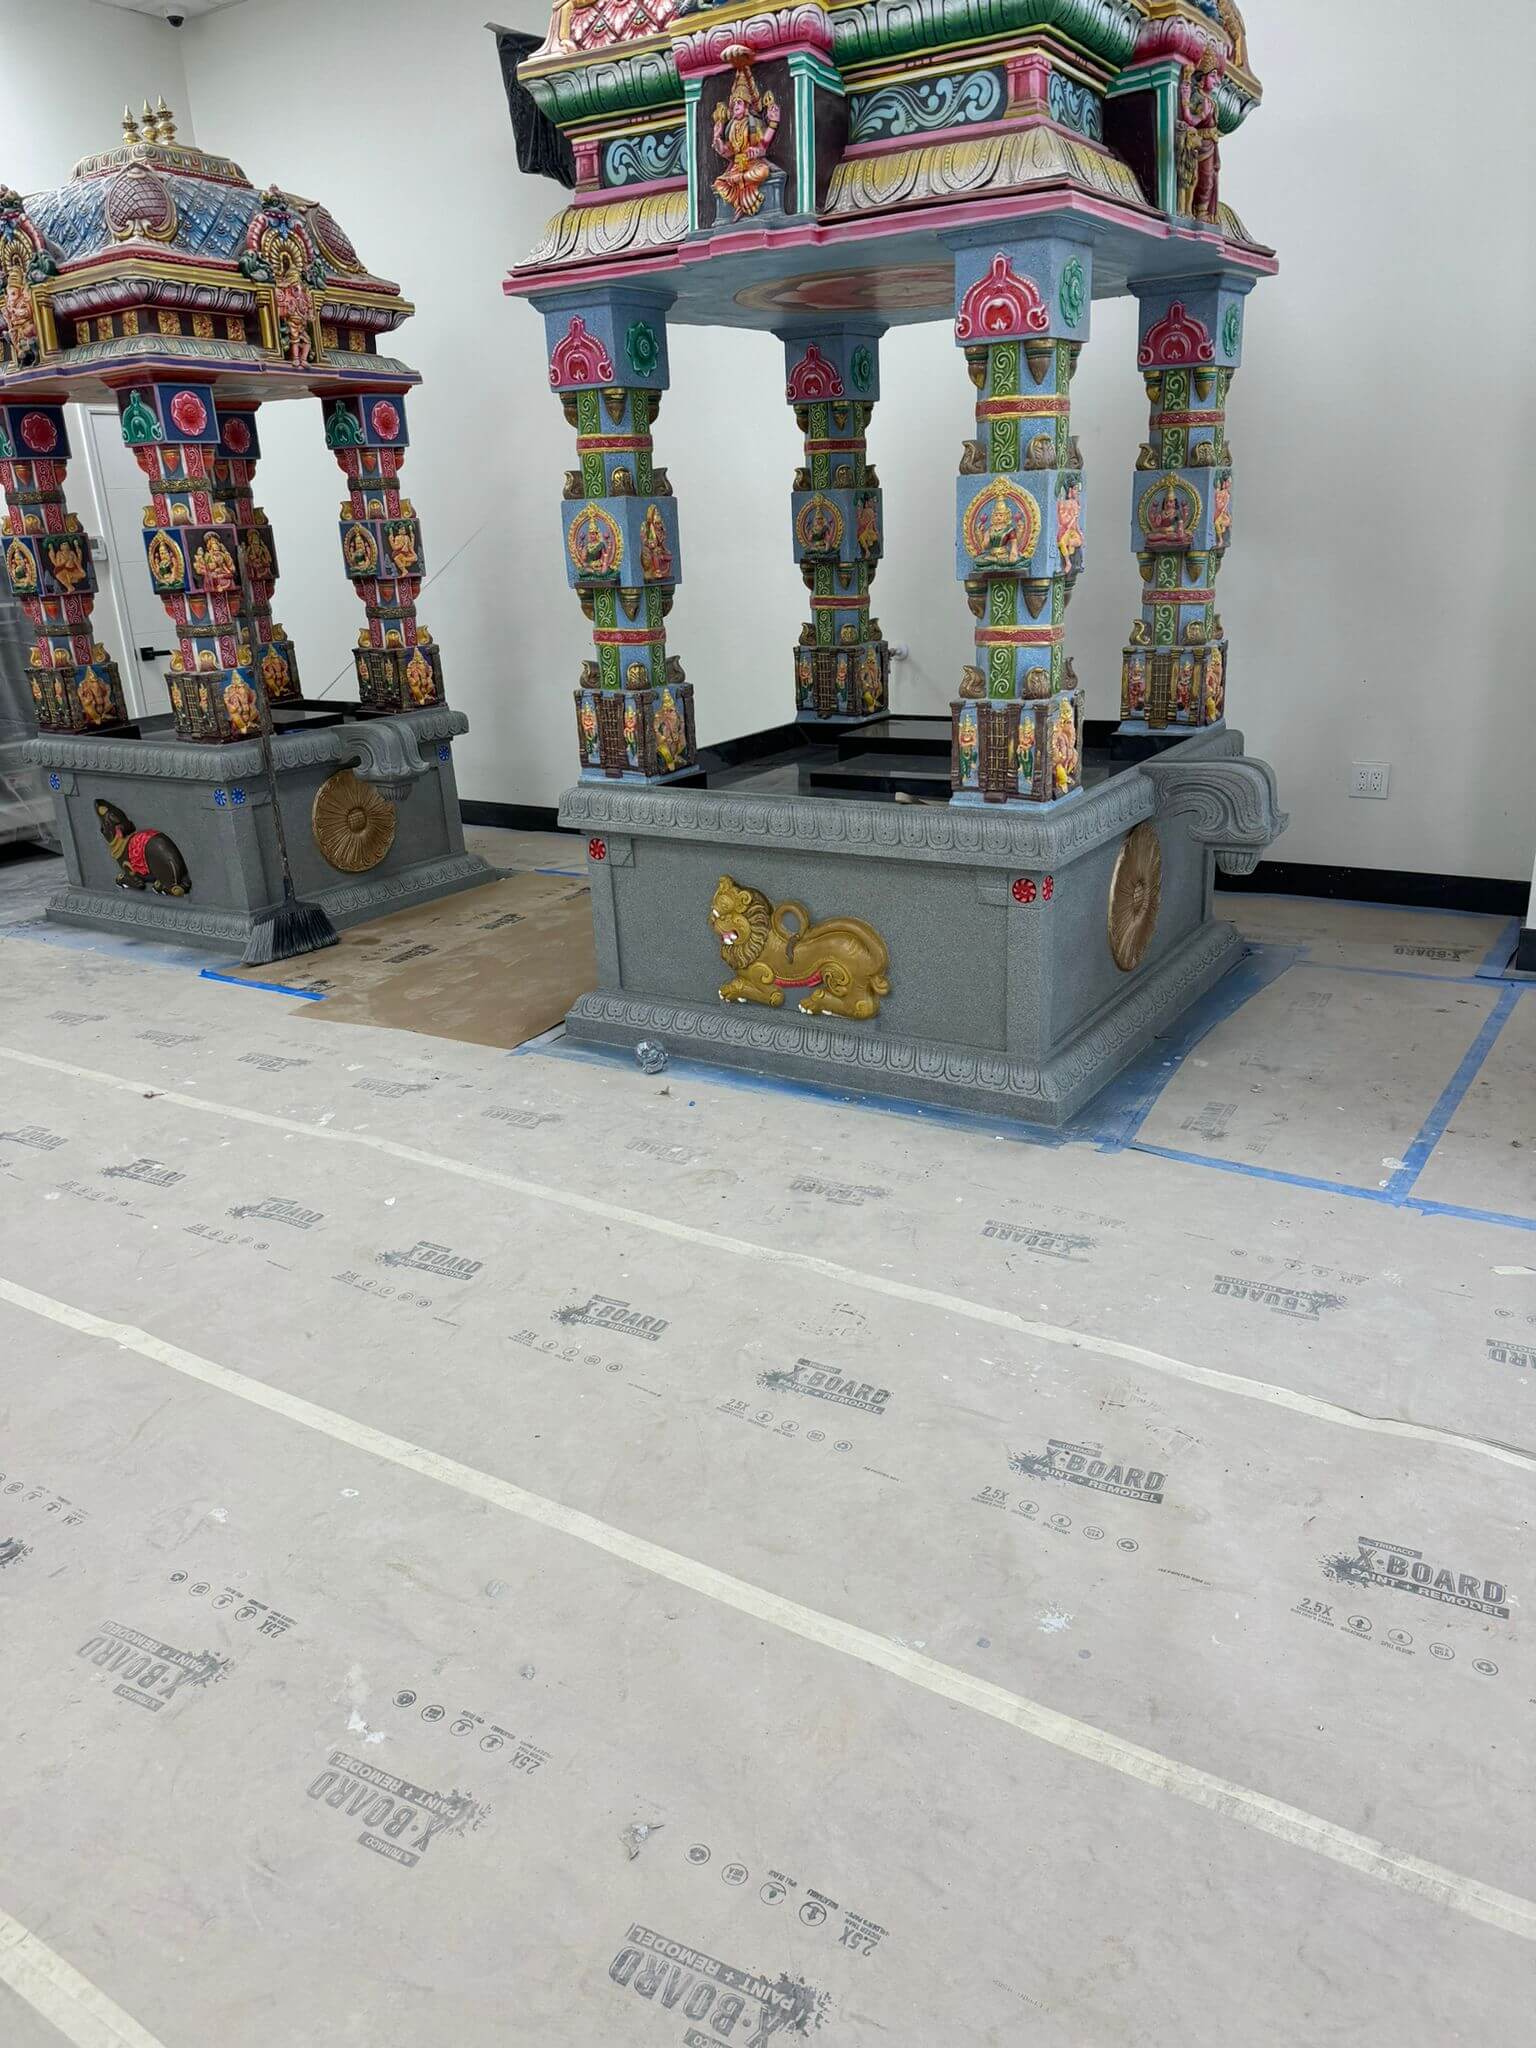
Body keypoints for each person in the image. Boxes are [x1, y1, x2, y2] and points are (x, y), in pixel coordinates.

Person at [711, 52, 780, 219]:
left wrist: (773, 123)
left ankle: (742, 195)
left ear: (747, 106)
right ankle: (741, 200)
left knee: (763, 171)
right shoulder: (731, 126)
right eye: (734, 103)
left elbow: (762, 146)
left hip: (752, 165)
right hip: (736, 168)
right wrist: (717, 137)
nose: (735, 106)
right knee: (719, 183)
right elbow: (728, 152)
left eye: (739, 103)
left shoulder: (753, 123)